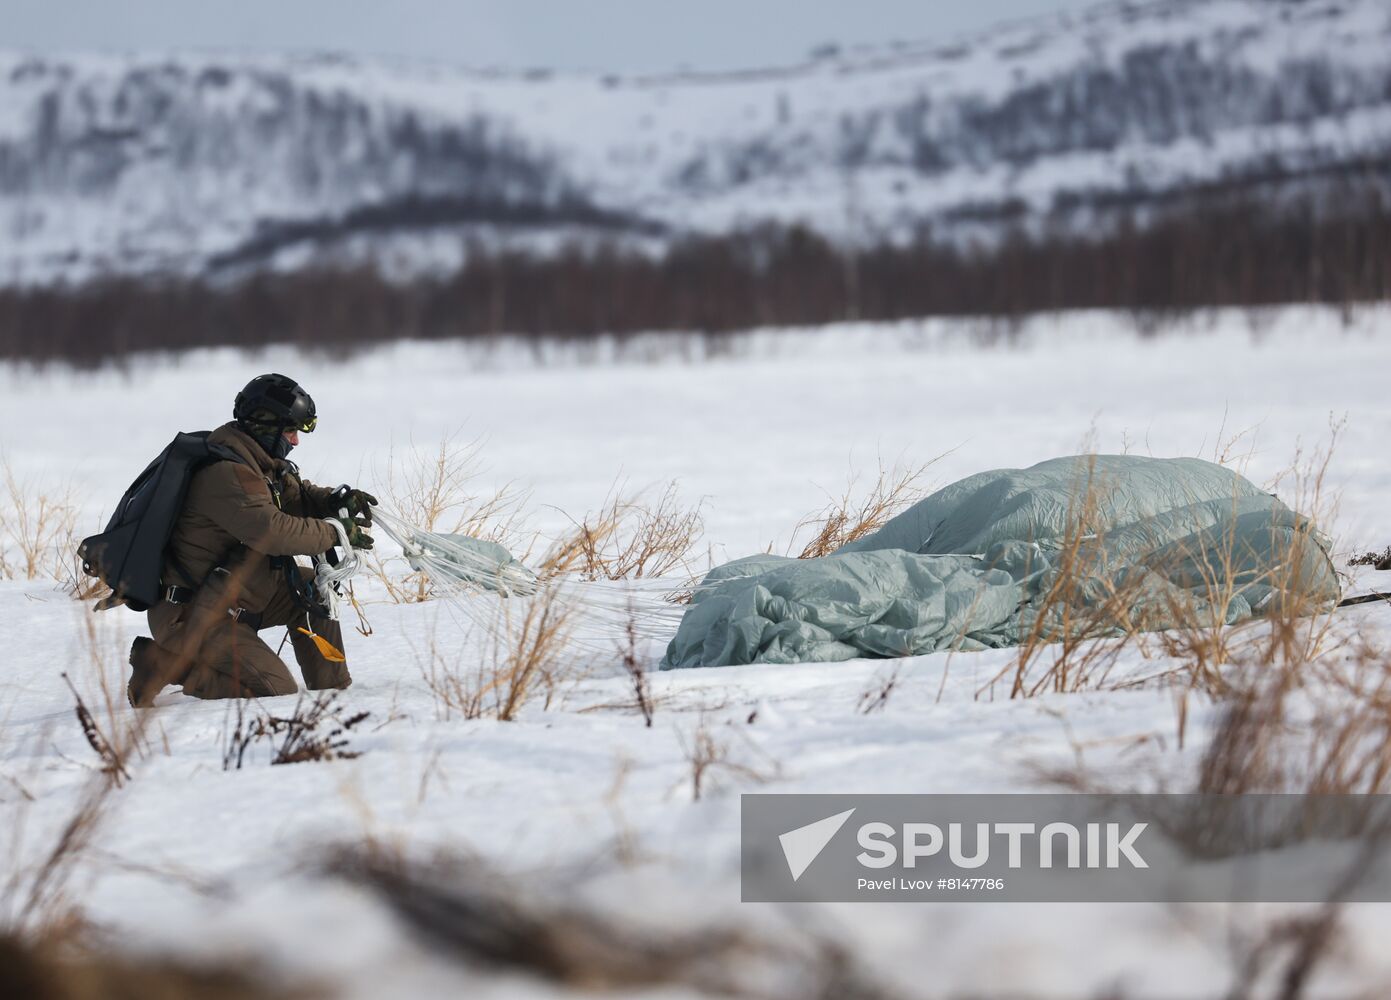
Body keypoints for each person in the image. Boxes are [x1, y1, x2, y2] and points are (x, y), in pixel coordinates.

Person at [126, 374, 376, 706]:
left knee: (314, 589)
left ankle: (332, 694)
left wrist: (332, 502)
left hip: (234, 596)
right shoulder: (226, 474)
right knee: (275, 690)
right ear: (265, 427)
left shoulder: (256, 460)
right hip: (192, 615)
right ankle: (163, 663)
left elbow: (295, 496)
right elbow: (273, 532)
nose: (295, 442)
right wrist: (335, 532)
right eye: (290, 432)